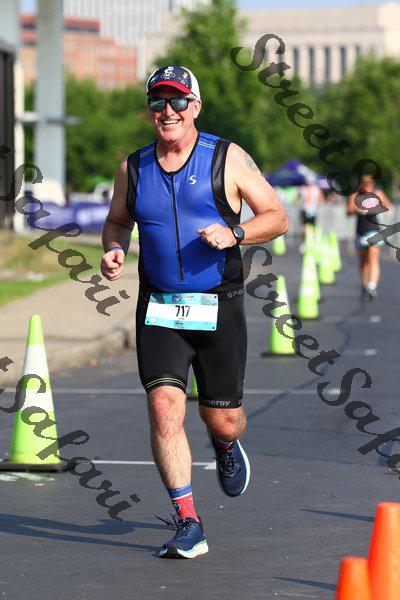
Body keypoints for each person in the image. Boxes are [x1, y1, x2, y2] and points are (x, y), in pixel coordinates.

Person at [100, 65, 288, 559]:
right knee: (165, 408)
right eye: (158, 101)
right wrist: (113, 248)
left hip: (218, 306)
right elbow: (117, 221)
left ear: (195, 107)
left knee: (223, 420)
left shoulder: (227, 158)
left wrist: (236, 233)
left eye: (178, 101)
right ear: (149, 110)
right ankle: (188, 521)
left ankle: (225, 445)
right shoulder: (133, 168)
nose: (168, 111)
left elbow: (277, 216)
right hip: (160, 307)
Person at [347, 174, 391, 300]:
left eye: (369, 183)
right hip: (360, 232)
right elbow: (348, 211)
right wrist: (357, 209)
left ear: (372, 184)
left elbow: (388, 207)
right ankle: (365, 284)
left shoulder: (378, 193)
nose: (367, 185)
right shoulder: (355, 196)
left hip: (374, 230)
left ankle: (372, 286)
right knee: (363, 261)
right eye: (364, 182)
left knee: (373, 258)